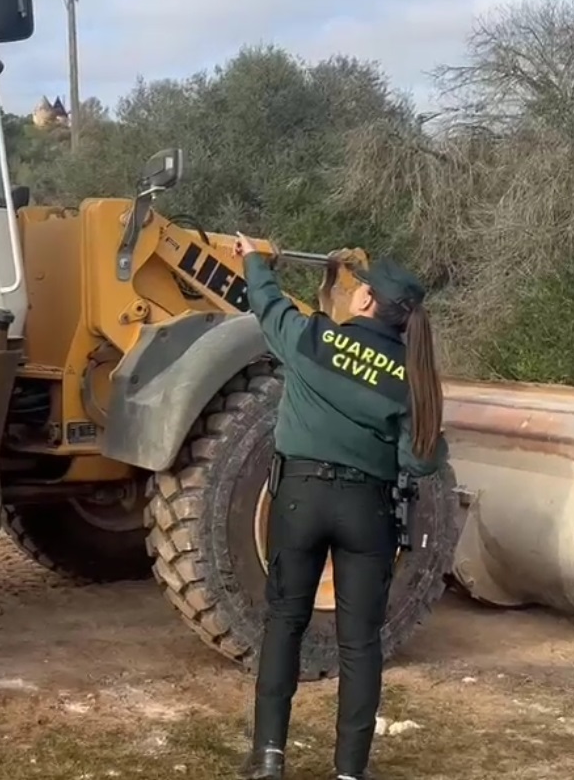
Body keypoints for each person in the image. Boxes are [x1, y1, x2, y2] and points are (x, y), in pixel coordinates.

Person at [229, 236, 448, 780]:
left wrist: (255, 259)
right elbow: (419, 462)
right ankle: (350, 771)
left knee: (285, 624)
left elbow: (268, 305)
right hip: (367, 511)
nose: (353, 290)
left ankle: (269, 758)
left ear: (368, 301)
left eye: (360, 286)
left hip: (299, 499)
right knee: (360, 643)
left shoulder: (314, 338)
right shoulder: (412, 376)